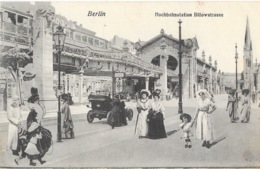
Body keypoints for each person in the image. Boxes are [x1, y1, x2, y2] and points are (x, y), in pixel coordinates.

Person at [26, 87, 52, 166]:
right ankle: (32, 161)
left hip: (36, 126)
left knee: (41, 141)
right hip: (33, 127)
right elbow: (32, 121)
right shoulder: (33, 110)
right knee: (34, 144)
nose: (38, 101)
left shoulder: (35, 107)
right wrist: (35, 127)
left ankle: (39, 159)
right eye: (37, 100)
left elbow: (41, 115)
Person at [7, 96, 23, 164]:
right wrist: (16, 122)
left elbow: (21, 116)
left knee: (18, 138)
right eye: (13, 100)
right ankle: (13, 150)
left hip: (18, 124)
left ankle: (17, 150)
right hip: (12, 125)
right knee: (13, 138)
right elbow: (10, 117)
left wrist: (20, 120)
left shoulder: (18, 108)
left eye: (16, 100)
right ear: (11, 101)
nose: (15, 102)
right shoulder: (10, 108)